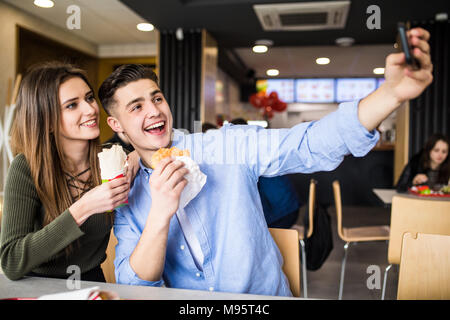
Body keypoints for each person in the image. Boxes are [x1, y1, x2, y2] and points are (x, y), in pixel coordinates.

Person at [98, 27, 433, 296]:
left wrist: (391, 94)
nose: (155, 111)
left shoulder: (226, 144)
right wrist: (160, 212)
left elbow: (310, 143)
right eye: (136, 106)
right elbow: (135, 284)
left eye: (157, 98)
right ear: (117, 126)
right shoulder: (126, 194)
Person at [0, 62, 134, 282]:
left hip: (93, 283)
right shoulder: (26, 168)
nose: (90, 109)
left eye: (89, 98)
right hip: (38, 288)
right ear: (48, 120)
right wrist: (83, 208)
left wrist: (137, 155)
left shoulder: (114, 158)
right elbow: (12, 260)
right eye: (72, 105)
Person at [229, 118, 301, 228]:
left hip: (282, 213)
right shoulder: (256, 147)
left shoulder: (250, 154)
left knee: (241, 227)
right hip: (289, 207)